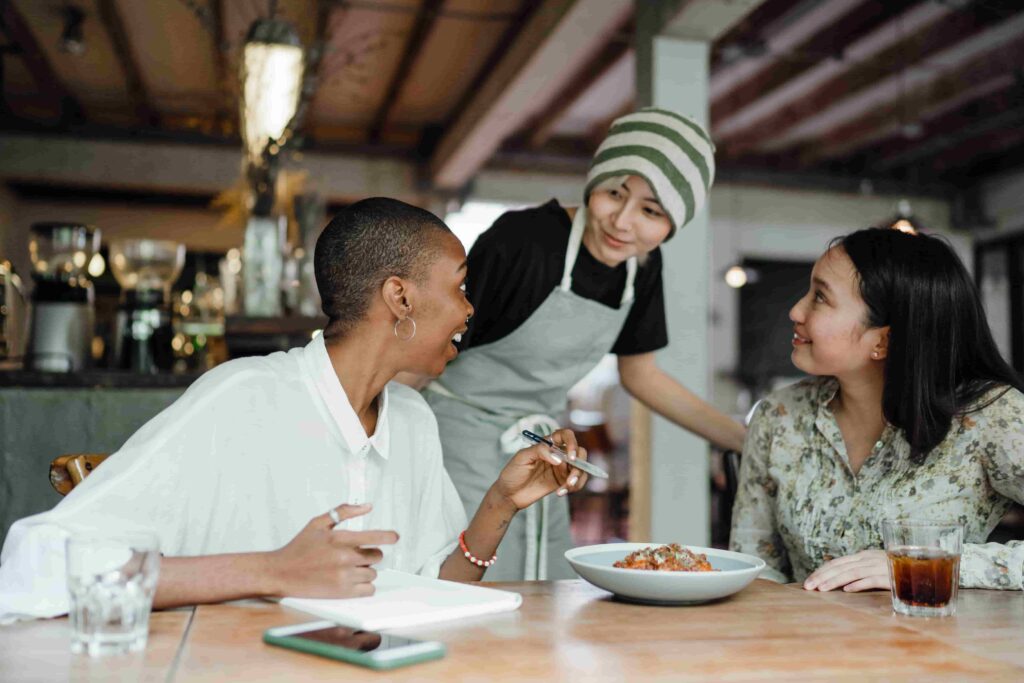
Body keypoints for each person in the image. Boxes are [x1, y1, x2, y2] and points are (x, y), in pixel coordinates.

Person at [0, 198, 590, 621]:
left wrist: (501, 503)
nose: (469, 310)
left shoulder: (412, 419)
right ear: (400, 296)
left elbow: (433, 591)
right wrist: (269, 570)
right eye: (460, 286)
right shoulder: (242, 397)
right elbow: (37, 563)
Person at [420, 108, 746, 580]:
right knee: (467, 580)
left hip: (541, 445)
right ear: (595, 182)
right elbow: (430, 345)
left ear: (671, 227)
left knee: (544, 584)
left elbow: (641, 375)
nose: (623, 222)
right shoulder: (522, 240)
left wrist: (744, 440)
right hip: (455, 440)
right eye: (615, 193)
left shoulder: (642, 270)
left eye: (651, 211)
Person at [730, 227, 1024, 591]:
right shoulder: (778, 416)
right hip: (805, 643)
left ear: (884, 340)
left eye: (820, 297)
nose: (795, 310)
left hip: (938, 644)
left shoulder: (990, 416)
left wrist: (922, 565)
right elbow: (754, 570)